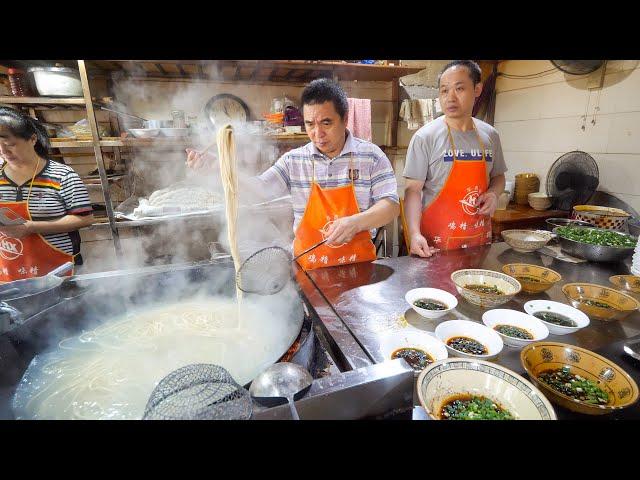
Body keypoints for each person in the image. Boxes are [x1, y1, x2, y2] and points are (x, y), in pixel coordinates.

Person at [186, 78, 400, 270]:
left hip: (358, 266)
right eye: (310, 124)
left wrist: (355, 223)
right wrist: (220, 167)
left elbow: (390, 206)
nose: (317, 134)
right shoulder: (294, 160)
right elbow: (260, 189)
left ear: (344, 119)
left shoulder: (371, 156)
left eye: (326, 123)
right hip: (307, 266)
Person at [403, 60, 507, 257]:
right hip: (435, 244)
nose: (450, 97)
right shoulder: (425, 137)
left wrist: (494, 194)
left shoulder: (490, 135)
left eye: (459, 88)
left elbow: (498, 177)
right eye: (444, 90)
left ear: (477, 89)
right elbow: (413, 190)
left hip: (478, 241)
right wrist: (414, 233)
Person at [0, 108, 94, 281]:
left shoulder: (63, 176)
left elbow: (85, 218)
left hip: (57, 271)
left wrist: (33, 227)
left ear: (32, 139)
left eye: (10, 145)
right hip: (9, 272)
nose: (4, 152)